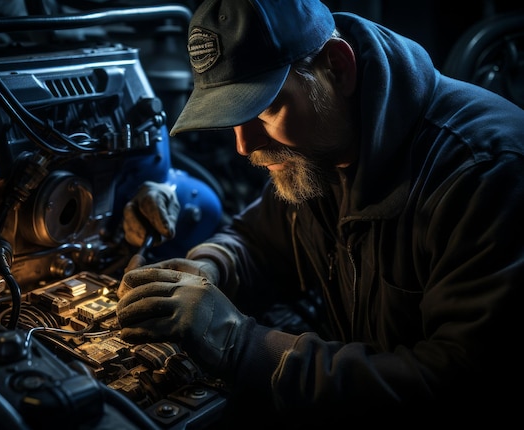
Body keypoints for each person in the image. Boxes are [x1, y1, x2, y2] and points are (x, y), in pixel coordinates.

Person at [116, 0, 524, 426]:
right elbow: (256, 242)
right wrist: (205, 270)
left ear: (338, 67)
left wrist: (240, 343)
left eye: (265, 108)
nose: (244, 144)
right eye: (233, 118)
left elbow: (447, 385)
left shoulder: (487, 173)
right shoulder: (321, 149)